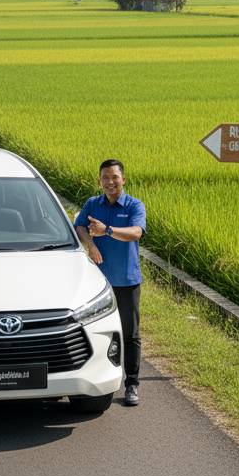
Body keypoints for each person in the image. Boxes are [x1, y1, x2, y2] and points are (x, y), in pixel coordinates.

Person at [74, 159, 146, 406]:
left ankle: (132, 385)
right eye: (105, 177)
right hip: (99, 283)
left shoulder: (135, 205)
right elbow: (80, 225)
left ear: (123, 180)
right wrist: (91, 244)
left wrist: (106, 230)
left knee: (130, 334)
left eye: (115, 177)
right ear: (99, 181)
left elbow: (136, 233)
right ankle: (93, 381)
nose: (110, 182)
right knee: (94, 331)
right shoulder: (92, 204)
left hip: (127, 281)